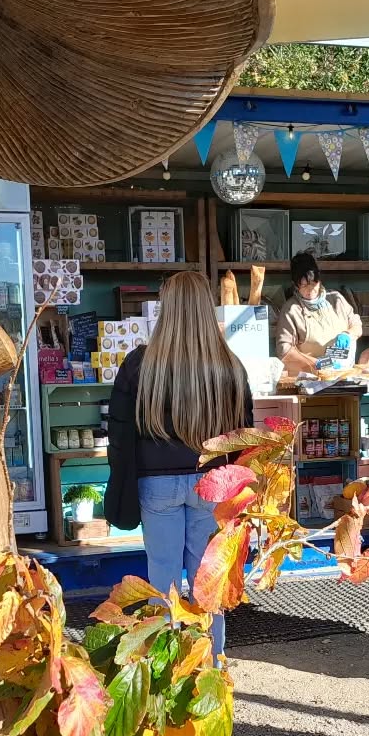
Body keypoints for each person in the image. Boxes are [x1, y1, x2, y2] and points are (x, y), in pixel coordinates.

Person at [105, 272, 253, 657]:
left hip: (156, 485)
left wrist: (121, 485)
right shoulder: (229, 365)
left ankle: (166, 669)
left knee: (162, 581)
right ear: (206, 308)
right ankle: (210, 664)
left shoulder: (140, 364)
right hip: (212, 483)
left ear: (166, 309)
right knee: (209, 582)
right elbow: (244, 437)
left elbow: (120, 433)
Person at [274, 252, 362, 374]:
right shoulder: (291, 310)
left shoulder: (336, 299)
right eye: (304, 286)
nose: (310, 290)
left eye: (313, 284)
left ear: (319, 280)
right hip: (310, 376)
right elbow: (285, 351)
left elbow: (356, 324)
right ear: (296, 285)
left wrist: (348, 334)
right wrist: (316, 364)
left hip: (343, 372)